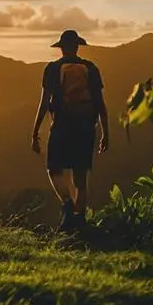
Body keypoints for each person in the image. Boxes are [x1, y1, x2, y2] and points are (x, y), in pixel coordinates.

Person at [30, 29, 109, 232]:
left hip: (62, 125)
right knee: (80, 175)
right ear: (77, 46)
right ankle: (80, 219)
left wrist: (35, 130)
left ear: (61, 48)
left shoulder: (53, 69)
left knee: (54, 168)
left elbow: (44, 102)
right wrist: (106, 133)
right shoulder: (90, 68)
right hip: (85, 127)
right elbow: (100, 103)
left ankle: (66, 203)